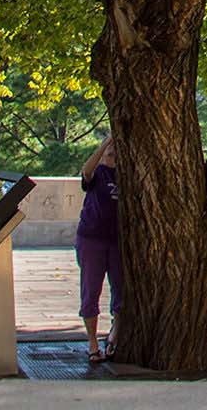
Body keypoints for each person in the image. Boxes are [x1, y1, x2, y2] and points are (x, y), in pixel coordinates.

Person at [76, 134, 125, 363]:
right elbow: (86, 171)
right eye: (109, 147)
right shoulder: (98, 174)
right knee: (90, 290)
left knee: (121, 290)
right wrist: (104, 144)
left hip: (117, 241)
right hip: (92, 239)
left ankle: (114, 334)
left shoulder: (125, 173)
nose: (111, 151)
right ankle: (92, 342)